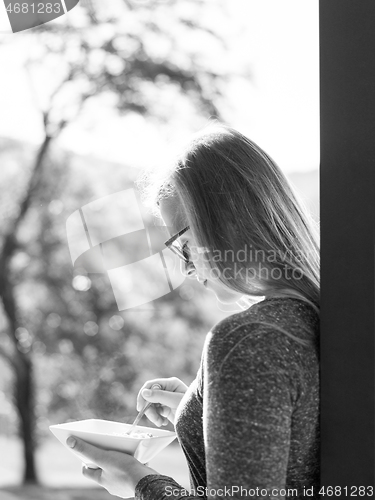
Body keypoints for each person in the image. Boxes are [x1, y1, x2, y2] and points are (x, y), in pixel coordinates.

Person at [66, 124, 320, 499]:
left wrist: (140, 482)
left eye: (183, 244)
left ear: (229, 220)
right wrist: (204, 410)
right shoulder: (315, 317)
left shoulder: (247, 340)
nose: (185, 267)